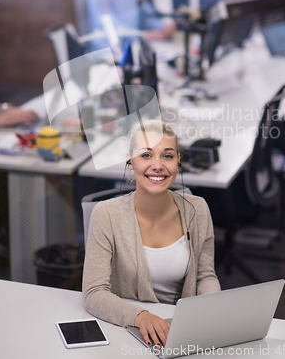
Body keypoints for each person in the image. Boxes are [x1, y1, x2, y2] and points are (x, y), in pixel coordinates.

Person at [82, 120, 220, 347]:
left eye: (167, 156)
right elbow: (94, 293)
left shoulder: (198, 209)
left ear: (178, 161)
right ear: (130, 161)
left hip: (180, 330)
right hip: (128, 329)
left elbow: (205, 276)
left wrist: (209, 310)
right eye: (146, 155)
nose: (157, 165)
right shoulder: (106, 214)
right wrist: (141, 317)